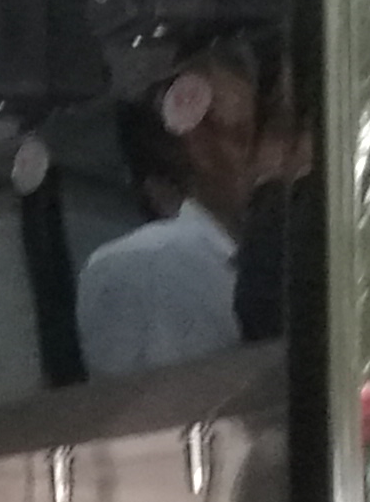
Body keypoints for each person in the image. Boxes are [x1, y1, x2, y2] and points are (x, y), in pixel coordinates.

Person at [76, 49, 268, 380]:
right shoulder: (153, 264)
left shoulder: (255, 266)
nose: (269, 158)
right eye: (246, 137)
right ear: (200, 146)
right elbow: (175, 403)